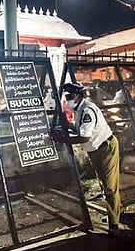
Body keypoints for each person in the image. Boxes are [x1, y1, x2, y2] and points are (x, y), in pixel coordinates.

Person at [52, 82, 123, 236]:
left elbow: (84, 137)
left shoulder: (87, 111)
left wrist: (63, 139)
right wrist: (66, 128)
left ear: (78, 96)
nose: (68, 99)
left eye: (70, 96)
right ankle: (115, 211)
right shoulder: (78, 109)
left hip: (105, 148)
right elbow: (80, 129)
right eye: (67, 97)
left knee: (110, 187)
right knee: (104, 183)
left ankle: (114, 225)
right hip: (96, 150)